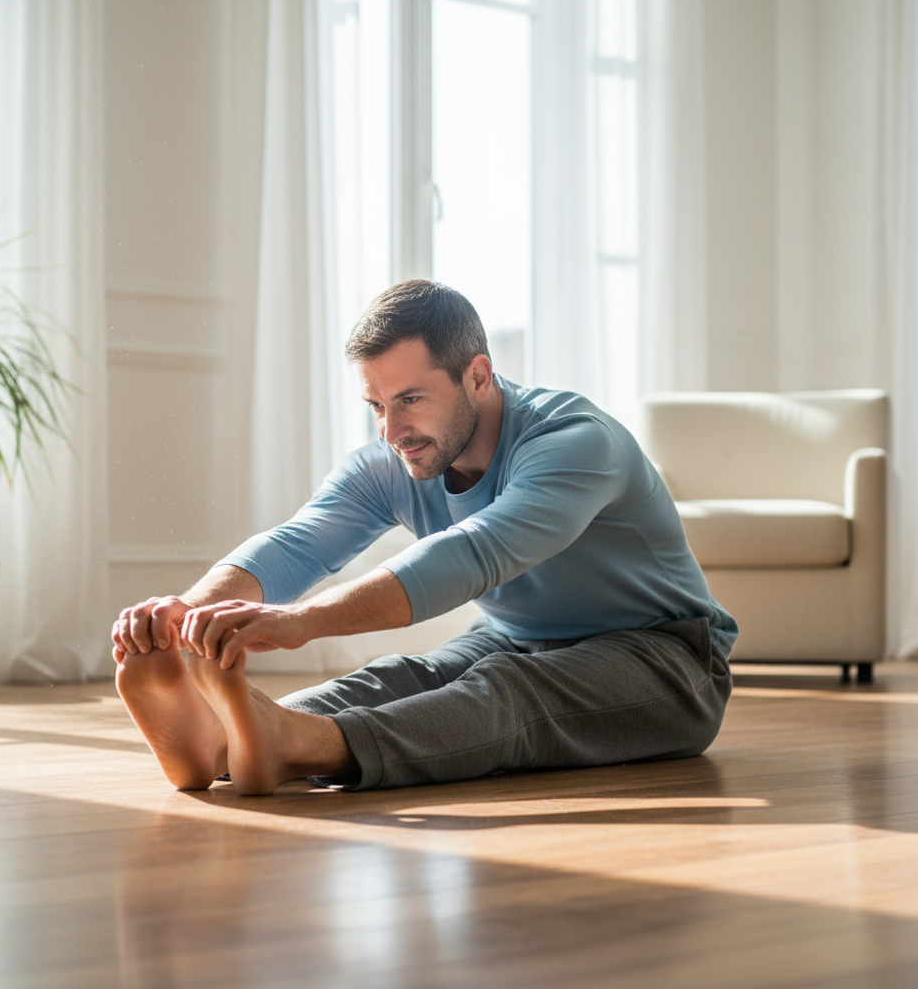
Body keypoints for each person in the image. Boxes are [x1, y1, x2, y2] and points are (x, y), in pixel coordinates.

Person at [112, 280, 736, 795]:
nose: (392, 430)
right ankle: (223, 739)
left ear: (478, 375)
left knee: (502, 695)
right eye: (376, 405)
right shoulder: (395, 461)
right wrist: (186, 612)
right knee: (406, 675)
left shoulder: (575, 443)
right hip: (516, 638)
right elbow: (298, 544)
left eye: (410, 398)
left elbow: (473, 554)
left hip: (666, 660)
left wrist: (301, 621)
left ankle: (296, 745)